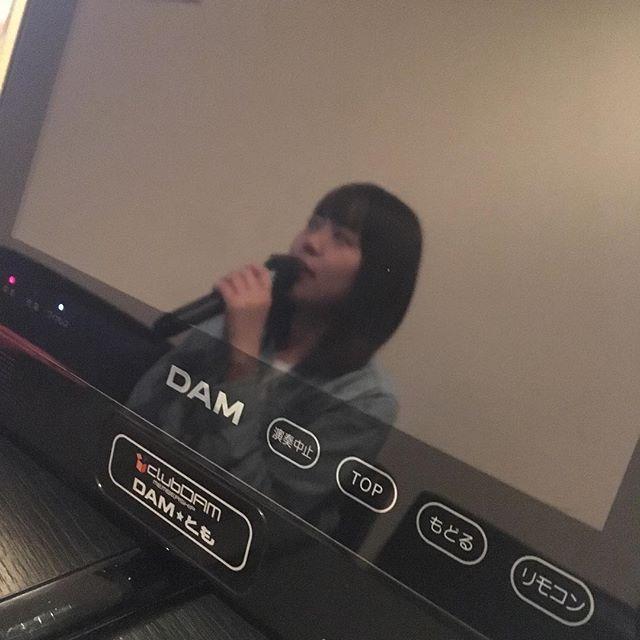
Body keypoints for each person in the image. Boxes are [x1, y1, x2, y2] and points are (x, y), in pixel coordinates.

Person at [127, 183, 422, 527]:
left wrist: (242, 360)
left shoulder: (367, 398)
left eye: (341, 238)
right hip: (142, 498)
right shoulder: (241, 318)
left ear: (376, 276)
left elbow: (258, 512)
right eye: (313, 224)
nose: (310, 243)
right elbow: (143, 411)